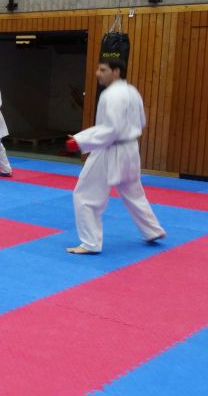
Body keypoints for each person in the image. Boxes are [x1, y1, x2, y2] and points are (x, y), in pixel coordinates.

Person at [66, 58, 165, 254]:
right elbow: (141, 121)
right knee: (133, 193)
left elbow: (111, 129)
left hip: (109, 150)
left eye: (103, 70)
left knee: (85, 195)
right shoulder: (132, 91)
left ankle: (90, 243)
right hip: (130, 149)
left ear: (116, 72)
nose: (98, 73)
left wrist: (79, 140)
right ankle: (152, 230)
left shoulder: (111, 95)